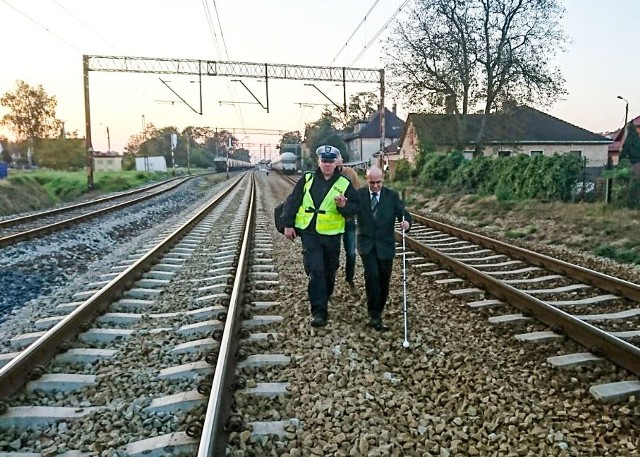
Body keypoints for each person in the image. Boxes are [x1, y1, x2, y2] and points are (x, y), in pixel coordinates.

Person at [280, 145, 359, 327]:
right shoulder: (307, 179)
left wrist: (344, 205)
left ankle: (326, 292)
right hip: (310, 232)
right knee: (316, 270)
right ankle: (319, 312)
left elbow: (356, 208)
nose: (327, 164)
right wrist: (288, 224)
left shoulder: (344, 184)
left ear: (336, 163)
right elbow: (293, 201)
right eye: (324, 161)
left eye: (330, 161)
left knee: (330, 269)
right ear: (319, 162)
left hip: (331, 235)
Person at [355, 165, 411, 332]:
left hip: (385, 245)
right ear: (367, 180)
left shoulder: (391, 196)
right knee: (371, 276)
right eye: (372, 183)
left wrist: (406, 223)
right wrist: (342, 205)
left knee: (383, 280)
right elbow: (347, 210)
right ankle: (374, 315)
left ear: (383, 180)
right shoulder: (359, 196)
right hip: (367, 245)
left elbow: (403, 214)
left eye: (378, 182)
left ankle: (378, 310)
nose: (375, 186)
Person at [335, 152, 361, 297]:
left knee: (351, 252)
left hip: (349, 221)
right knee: (333, 253)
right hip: (333, 222)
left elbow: (356, 198)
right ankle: (330, 281)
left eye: (338, 163)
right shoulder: (327, 176)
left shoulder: (350, 174)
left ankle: (350, 279)